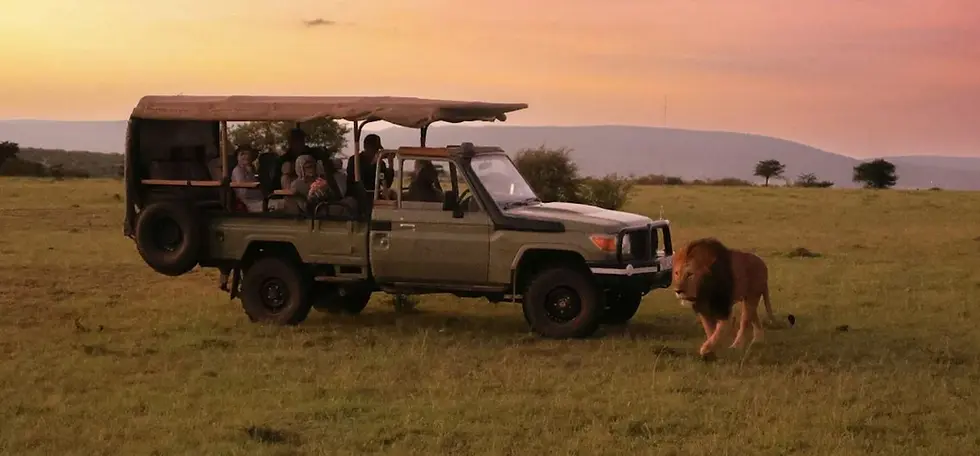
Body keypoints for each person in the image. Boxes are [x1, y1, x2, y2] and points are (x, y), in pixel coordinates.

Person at [230, 147, 264, 212]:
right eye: (242, 154)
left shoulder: (251, 170)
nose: (246, 156)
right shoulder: (237, 170)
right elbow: (243, 192)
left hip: (258, 200)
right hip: (248, 203)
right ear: (237, 157)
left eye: (248, 154)